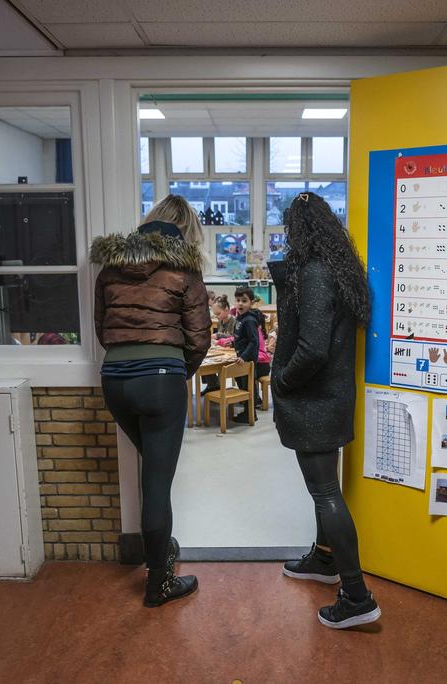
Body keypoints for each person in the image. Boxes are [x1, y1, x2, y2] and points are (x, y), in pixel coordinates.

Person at [91, 194, 211, 607]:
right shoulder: (184, 267)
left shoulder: (111, 265)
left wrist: (126, 362)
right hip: (161, 380)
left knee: (152, 473)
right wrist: (176, 372)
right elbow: (199, 338)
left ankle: (163, 549)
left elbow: (102, 328)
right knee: (157, 483)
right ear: (186, 229)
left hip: (115, 381)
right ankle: (158, 583)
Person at [269, 192, 381, 629]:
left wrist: (282, 380)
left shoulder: (315, 273)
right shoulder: (336, 268)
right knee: (326, 487)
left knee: (325, 493)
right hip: (330, 399)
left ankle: (356, 596)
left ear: (300, 230)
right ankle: (323, 558)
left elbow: (312, 349)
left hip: (314, 401)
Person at [232, 286, 260, 424]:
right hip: (241, 359)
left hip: (247, 361)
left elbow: (254, 342)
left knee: (248, 388)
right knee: (243, 386)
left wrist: (244, 356)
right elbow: (241, 338)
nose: (240, 303)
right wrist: (232, 344)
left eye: (244, 301)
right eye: (238, 300)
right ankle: (247, 411)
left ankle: (251, 414)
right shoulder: (240, 317)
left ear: (251, 303)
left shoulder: (249, 320)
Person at [201, 294, 237, 396]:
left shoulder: (234, 321)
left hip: (231, 352)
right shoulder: (221, 321)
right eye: (215, 314)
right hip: (222, 350)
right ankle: (212, 385)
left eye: (218, 313)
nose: (217, 316)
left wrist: (218, 335)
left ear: (226, 310)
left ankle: (214, 385)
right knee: (204, 360)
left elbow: (232, 337)